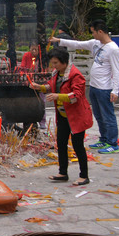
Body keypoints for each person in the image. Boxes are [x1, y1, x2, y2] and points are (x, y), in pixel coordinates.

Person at [50, 19, 119, 154]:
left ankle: (113, 143)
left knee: (108, 115)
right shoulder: (95, 44)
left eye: (93, 32)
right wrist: (59, 40)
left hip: (105, 88)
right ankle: (104, 138)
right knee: (99, 115)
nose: (93, 35)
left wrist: (115, 90)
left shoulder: (113, 49)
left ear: (100, 31)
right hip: (94, 86)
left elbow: (116, 70)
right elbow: (77, 44)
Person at [30, 48, 92, 185]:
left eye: (56, 63)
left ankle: (84, 175)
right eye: (52, 63)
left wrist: (59, 96)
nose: (54, 66)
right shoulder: (56, 73)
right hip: (63, 115)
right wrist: (39, 87)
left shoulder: (75, 75)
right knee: (61, 143)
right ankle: (63, 172)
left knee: (78, 145)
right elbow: (52, 87)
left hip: (76, 115)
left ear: (64, 62)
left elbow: (77, 95)